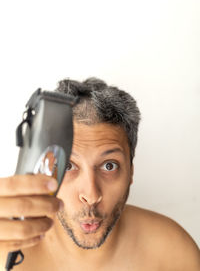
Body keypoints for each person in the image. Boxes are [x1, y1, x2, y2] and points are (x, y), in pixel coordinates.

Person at [0, 78, 199, 271]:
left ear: (131, 170)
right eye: (68, 166)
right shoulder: (5, 251)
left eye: (109, 166)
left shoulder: (173, 253)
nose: (91, 195)